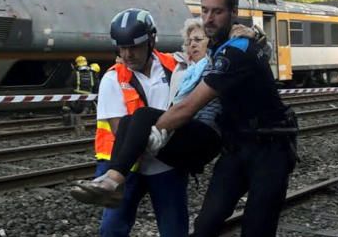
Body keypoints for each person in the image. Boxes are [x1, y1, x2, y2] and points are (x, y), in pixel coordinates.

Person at [157, 0, 298, 237]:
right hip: (237, 149)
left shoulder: (238, 49)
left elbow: (190, 106)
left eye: (217, 11)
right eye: (204, 10)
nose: (209, 18)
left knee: (255, 234)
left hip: (270, 148)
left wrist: (149, 133)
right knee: (205, 227)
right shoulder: (222, 42)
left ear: (232, 11)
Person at [78, 8, 190, 237]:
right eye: (121, 48)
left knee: (174, 232)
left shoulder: (177, 69)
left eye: (134, 47)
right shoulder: (113, 79)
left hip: (165, 165)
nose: (127, 54)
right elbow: (119, 131)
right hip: (125, 165)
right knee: (112, 228)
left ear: (151, 42)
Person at [71, 17, 224, 208]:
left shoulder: (219, 63)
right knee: (128, 121)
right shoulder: (187, 68)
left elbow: (246, 50)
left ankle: (114, 178)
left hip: (204, 136)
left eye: (199, 40)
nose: (193, 44)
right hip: (182, 132)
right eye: (190, 40)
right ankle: (114, 183)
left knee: (143, 114)